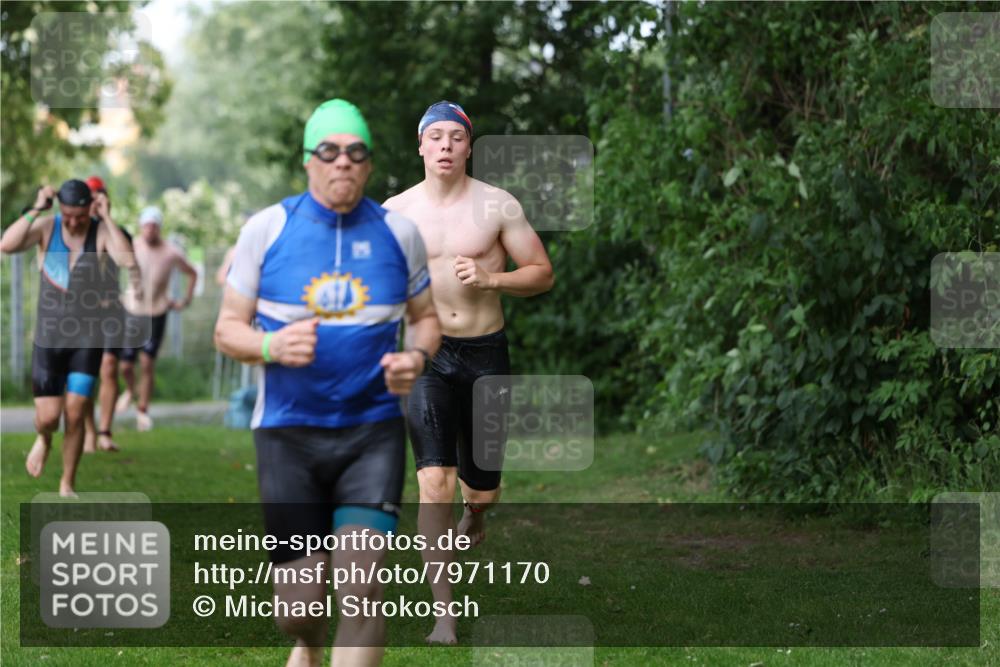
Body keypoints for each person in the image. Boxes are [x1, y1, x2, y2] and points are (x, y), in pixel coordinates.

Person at [214, 98, 440, 667]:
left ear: (368, 164)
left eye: (356, 153)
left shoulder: (400, 233)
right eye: (330, 152)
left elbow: (427, 319)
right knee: (298, 609)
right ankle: (308, 646)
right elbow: (226, 330)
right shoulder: (267, 229)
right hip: (288, 436)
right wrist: (270, 345)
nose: (343, 162)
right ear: (309, 161)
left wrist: (415, 357)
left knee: (361, 591)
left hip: (373, 434)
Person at [384, 100, 554, 644]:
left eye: (455, 137)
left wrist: (491, 280)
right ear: (420, 146)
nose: (445, 146)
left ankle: (477, 515)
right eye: (435, 137)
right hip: (429, 355)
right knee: (434, 481)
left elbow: (542, 273)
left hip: (485, 353)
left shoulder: (497, 205)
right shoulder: (394, 212)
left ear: (469, 145)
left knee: (480, 489)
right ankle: (444, 616)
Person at [1, 179, 136, 496]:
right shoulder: (48, 227)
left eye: (80, 215)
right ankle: (45, 439)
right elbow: (6, 245)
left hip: (87, 341)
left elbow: (127, 260)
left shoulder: (100, 230)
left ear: (91, 207)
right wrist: (37, 207)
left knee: (75, 413)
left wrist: (106, 217)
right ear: (60, 208)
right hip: (49, 339)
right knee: (48, 418)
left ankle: (67, 482)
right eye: (69, 214)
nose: (74, 221)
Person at [115, 205, 198, 431]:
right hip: (133, 309)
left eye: (154, 226)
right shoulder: (131, 246)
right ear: (141, 227)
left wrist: (185, 300)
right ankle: (130, 390)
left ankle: (143, 410)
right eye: (146, 226)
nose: (150, 230)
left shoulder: (171, 252)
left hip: (157, 311)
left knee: (147, 362)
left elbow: (192, 273)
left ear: (159, 227)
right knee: (125, 365)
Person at [81, 175, 137, 453]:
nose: (95, 203)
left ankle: (105, 430)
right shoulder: (77, 232)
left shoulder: (117, 232)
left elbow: (127, 259)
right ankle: (89, 430)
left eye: (99, 197)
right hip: (84, 313)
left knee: (108, 368)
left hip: (111, 311)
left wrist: (107, 218)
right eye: (90, 198)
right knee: (85, 373)